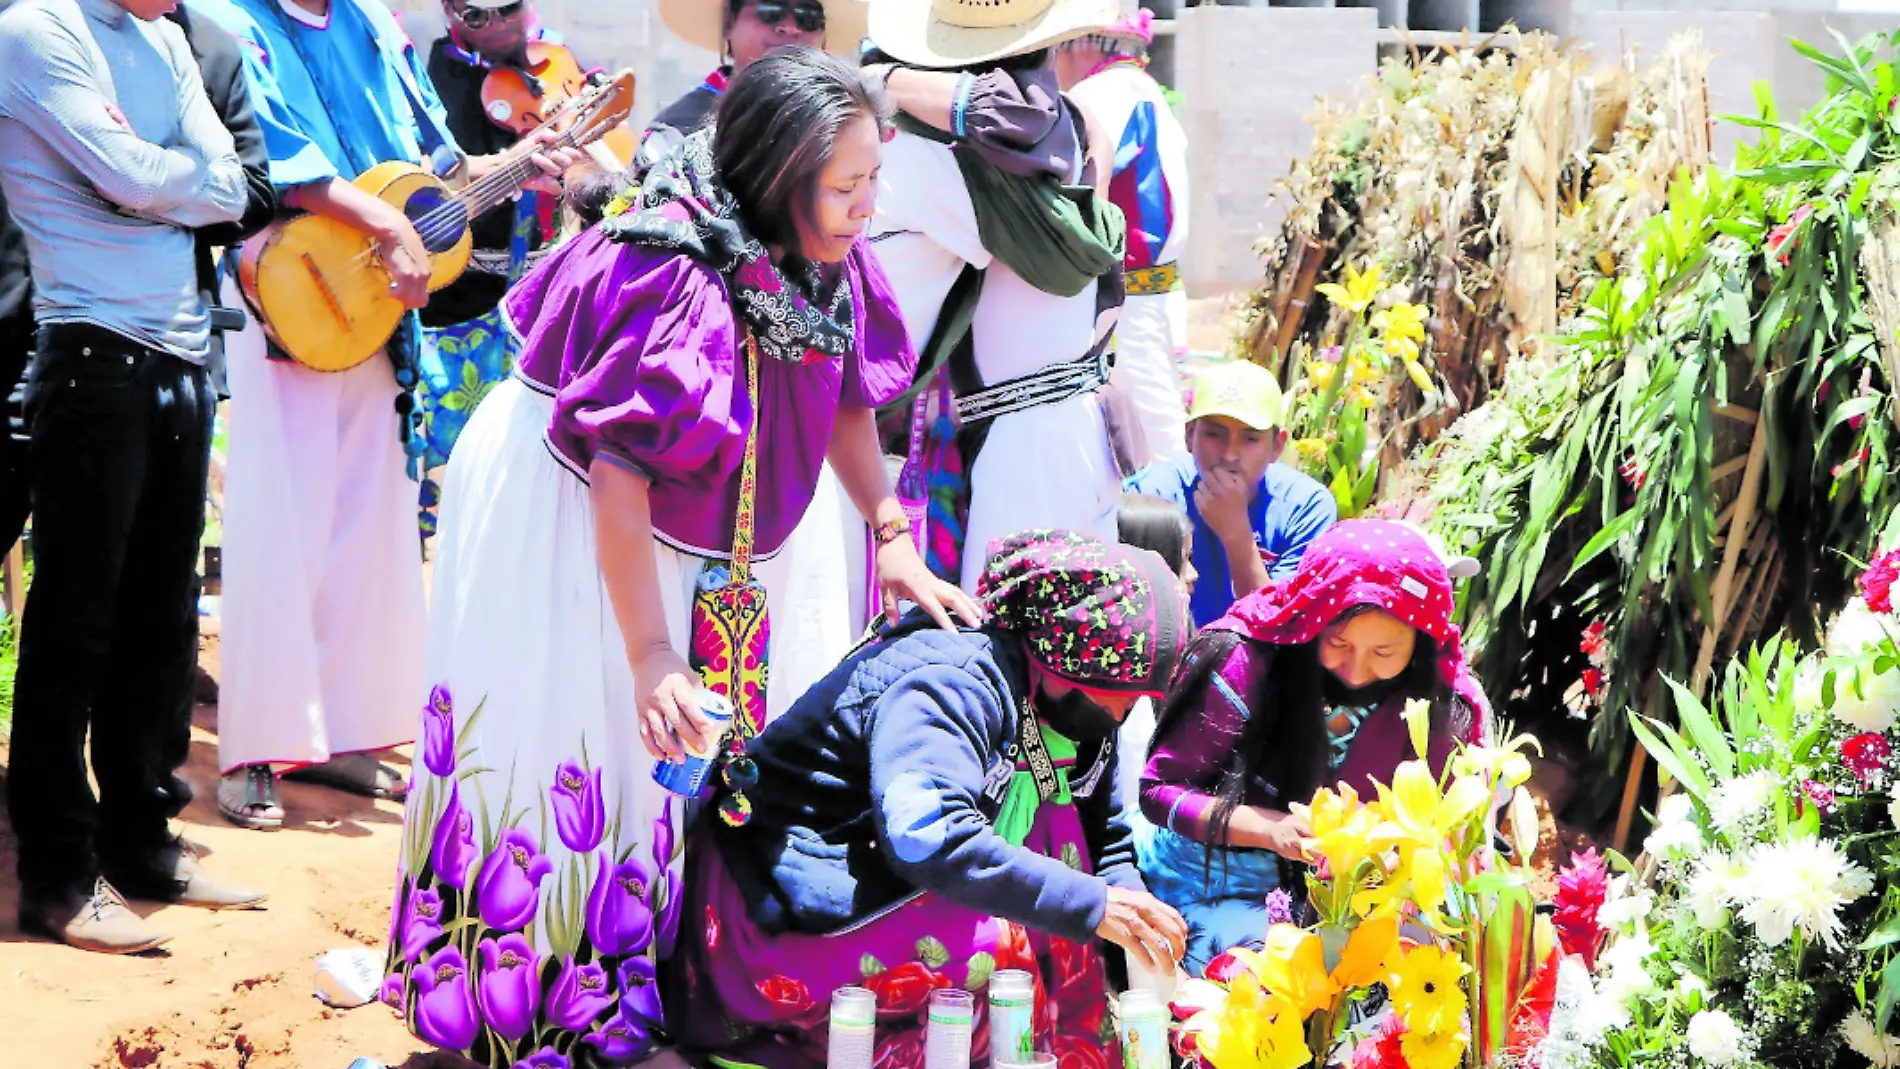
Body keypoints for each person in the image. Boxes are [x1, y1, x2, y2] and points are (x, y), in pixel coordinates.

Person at [382, 49, 975, 1064]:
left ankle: (679, 985)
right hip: (579, 509)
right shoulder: (676, 271)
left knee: (705, 758)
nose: (868, 204)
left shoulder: (821, 247)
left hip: (712, 526)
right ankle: (550, 1008)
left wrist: (889, 533)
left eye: (876, 177)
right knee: (595, 743)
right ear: (782, 176)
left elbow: (841, 391)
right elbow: (620, 469)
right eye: (848, 185)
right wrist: (652, 651)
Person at [197, 0, 584, 829]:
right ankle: (256, 747)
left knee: (367, 516)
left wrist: (518, 163)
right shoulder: (232, 19)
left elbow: (431, 168)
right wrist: (387, 224)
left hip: (377, 291)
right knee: (278, 518)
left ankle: (344, 731)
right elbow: (269, 157)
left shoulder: (375, 23)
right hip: (290, 275)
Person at [674, 530, 1190, 1066]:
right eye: (1126, 696)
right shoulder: (953, 682)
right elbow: (926, 837)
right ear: (1068, 660)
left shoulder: (1076, 703)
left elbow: (1103, 837)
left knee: (1067, 890)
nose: (1128, 714)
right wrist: (1097, 905)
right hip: (782, 904)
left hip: (888, 890)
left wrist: (1137, 915)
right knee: (1010, 951)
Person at [0, 0, 265, 953]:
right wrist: (159, 182)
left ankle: (141, 843)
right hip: (90, 357)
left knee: (159, 619)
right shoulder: (38, 30)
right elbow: (129, 174)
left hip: (183, 361)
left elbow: (235, 186)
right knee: (75, 627)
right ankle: (58, 877)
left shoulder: (162, 37)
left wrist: (161, 185)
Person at [863, 0, 1135, 595]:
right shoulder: (1070, 129)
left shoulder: (948, 155)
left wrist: (884, 82)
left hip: (1031, 436)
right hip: (1051, 424)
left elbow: (1062, 264)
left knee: (1025, 636)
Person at [1137, 519, 1490, 972]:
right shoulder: (1244, 664)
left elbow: (1450, 836)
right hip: (1217, 879)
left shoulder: (1447, 708)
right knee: (1265, 979)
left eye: (1384, 652)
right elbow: (1159, 792)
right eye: (1337, 642)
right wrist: (1271, 831)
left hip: (1365, 894)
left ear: (1422, 642)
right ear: (1309, 620)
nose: (1357, 670)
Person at [398, 0, 593, 539]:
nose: (496, 25)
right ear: (448, 11)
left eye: (506, 9)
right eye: (475, 15)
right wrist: (511, 173)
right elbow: (419, 190)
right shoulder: (429, 79)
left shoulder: (559, 68)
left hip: (542, 302)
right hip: (454, 307)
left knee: (532, 489)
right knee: (443, 480)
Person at [1055, 4, 1190, 466]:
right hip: (1154, 290)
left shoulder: (1100, 95)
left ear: (1083, 44)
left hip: (1125, 298)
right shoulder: (1142, 89)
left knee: (1147, 434)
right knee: (1157, 421)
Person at [1126, 359, 1336, 626]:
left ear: (1277, 446)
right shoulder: (1151, 495)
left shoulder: (1306, 507)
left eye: (1250, 438)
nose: (1229, 454)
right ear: (1190, 435)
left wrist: (1237, 534)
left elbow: (1280, 628)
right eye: (1214, 434)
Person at [634, 0, 862, 177]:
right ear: (729, 22)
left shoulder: (847, 122)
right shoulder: (675, 133)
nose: (791, 27)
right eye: (772, 10)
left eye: (808, 17)